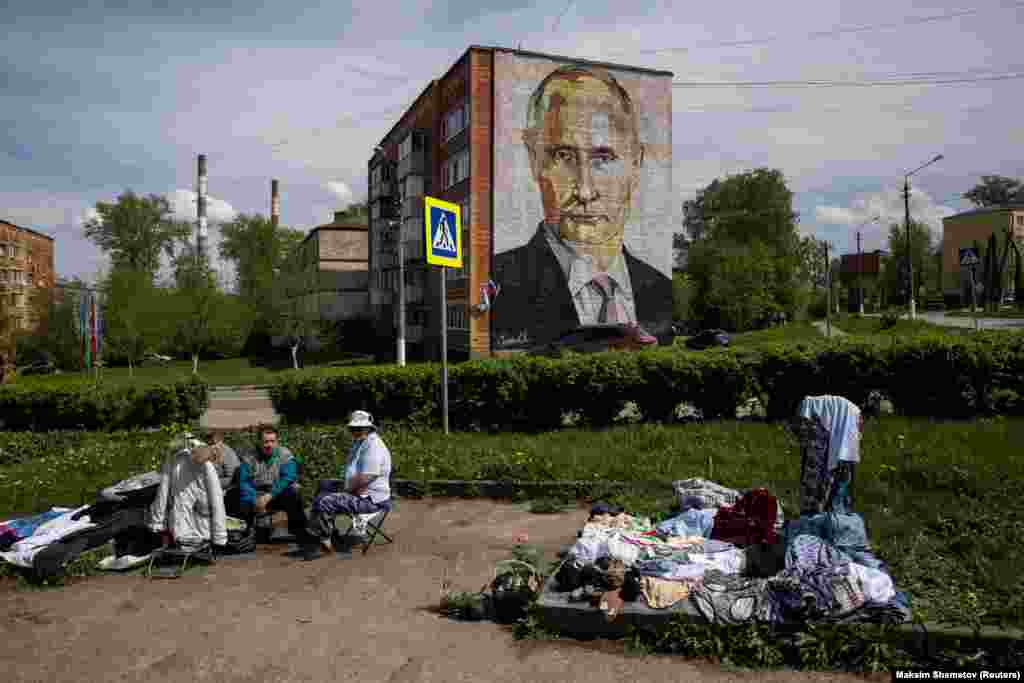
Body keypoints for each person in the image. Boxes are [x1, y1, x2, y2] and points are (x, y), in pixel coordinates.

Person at [492, 64, 673, 349]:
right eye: (564, 156)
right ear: (534, 159)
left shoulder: (659, 288)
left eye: (603, 158)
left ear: (636, 164)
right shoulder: (499, 284)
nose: (585, 191)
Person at [301, 410, 392, 561]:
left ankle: (323, 542)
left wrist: (346, 489)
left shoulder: (374, 446)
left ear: (369, 428)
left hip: (370, 500)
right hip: (359, 490)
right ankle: (328, 532)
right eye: (353, 428)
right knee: (323, 485)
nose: (355, 431)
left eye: (359, 428)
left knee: (326, 500)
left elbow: (367, 477)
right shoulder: (362, 441)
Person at [148, 437, 228, 551]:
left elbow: (217, 500)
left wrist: (219, 536)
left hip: (200, 525)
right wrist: (157, 522)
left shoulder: (207, 465)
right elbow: (163, 489)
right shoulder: (174, 457)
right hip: (181, 522)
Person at [237, 425, 310, 543]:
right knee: (242, 500)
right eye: (266, 442)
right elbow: (244, 481)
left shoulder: (285, 454)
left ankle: (299, 531)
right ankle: (246, 534)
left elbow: (288, 478)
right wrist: (254, 498)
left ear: (277, 441)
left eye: (272, 441)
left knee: (293, 493)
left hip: (277, 493)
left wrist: (270, 495)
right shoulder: (248, 457)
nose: (269, 445)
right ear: (259, 442)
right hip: (256, 493)